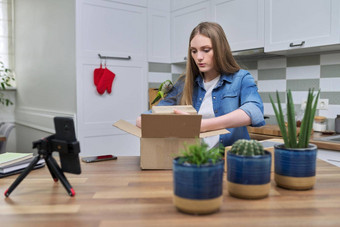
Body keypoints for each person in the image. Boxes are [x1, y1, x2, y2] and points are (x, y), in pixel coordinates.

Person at [137, 22, 265, 149]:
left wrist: (202, 125)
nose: (198, 57)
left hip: (227, 160)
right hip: (193, 159)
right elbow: (148, 117)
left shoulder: (241, 78)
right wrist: (144, 121)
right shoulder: (184, 83)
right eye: (194, 51)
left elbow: (255, 111)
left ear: (221, 49)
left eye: (206, 50)